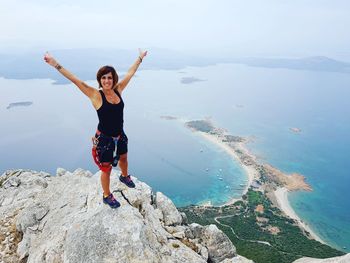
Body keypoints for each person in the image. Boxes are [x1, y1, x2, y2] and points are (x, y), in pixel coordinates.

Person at [44, 49, 148, 208]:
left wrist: (140, 58)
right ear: (100, 80)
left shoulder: (118, 91)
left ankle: (124, 176)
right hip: (105, 139)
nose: (107, 80)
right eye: (104, 78)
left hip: (120, 134)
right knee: (106, 169)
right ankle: (107, 195)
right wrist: (54, 64)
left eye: (110, 78)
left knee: (124, 158)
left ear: (113, 80)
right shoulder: (95, 95)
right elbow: (75, 79)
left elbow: (130, 73)